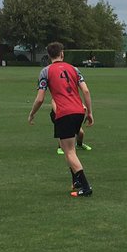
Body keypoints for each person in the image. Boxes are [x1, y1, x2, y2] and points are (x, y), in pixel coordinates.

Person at [28, 42, 94, 196]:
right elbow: (86, 90)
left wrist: (32, 114)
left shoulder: (45, 72)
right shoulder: (74, 69)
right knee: (68, 149)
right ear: (62, 54)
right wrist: (90, 112)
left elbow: (39, 99)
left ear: (48, 56)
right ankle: (76, 180)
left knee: (69, 151)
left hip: (64, 113)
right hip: (79, 111)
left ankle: (85, 187)